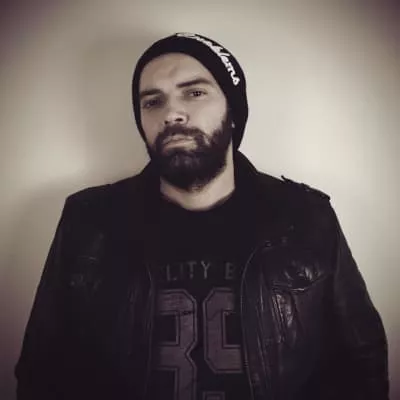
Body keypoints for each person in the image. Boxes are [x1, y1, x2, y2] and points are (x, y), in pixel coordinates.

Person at [15, 32, 389, 400]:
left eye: (194, 93)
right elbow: (43, 372)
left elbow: (360, 362)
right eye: (152, 102)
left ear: (233, 112)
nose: (171, 114)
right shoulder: (88, 222)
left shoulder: (306, 218)